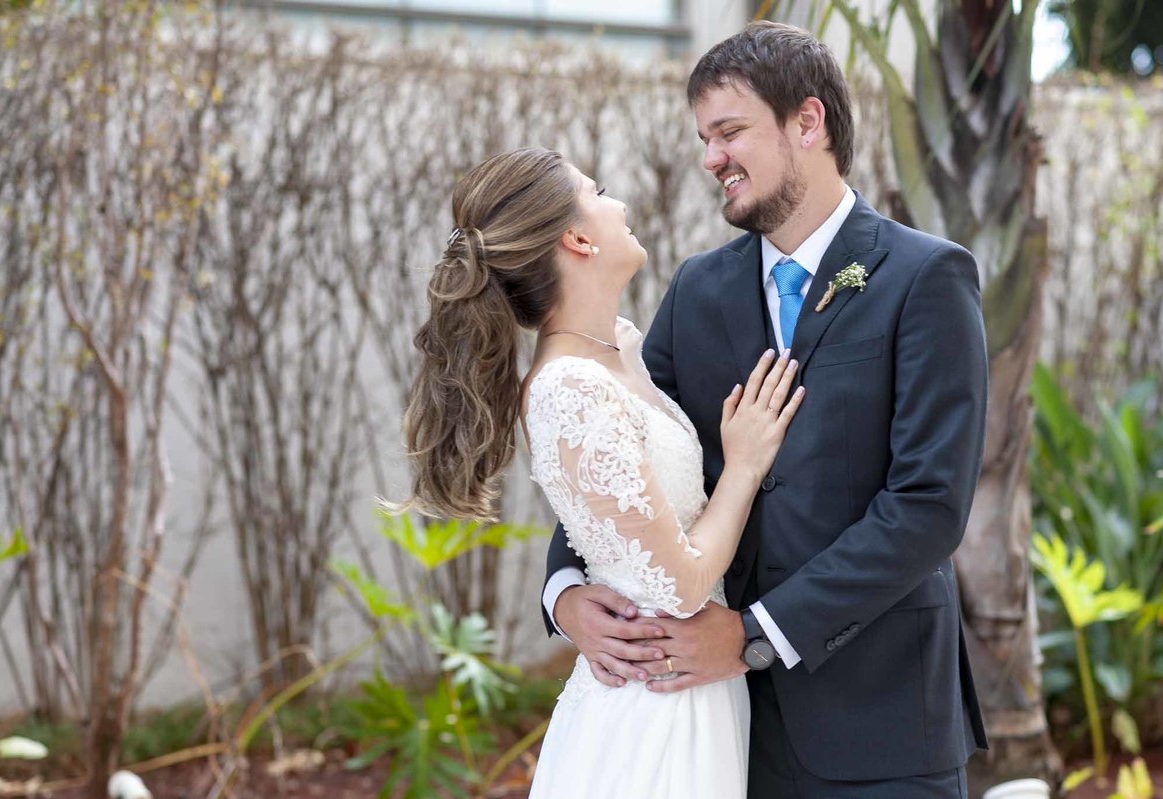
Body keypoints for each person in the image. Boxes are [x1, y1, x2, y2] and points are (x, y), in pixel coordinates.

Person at [542, 20, 989, 799]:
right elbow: (624, 457)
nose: (711, 157)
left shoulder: (926, 279)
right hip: (720, 733)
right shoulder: (696, 292)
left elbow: (928, 506)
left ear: (806, 123)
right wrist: (565, 595)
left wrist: (751, 635)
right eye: (704, 138)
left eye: (729, 131)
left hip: (883, 727)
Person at [401, 144, 804, 797]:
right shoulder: (567, 389)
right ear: (578, 238)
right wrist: (745, 464)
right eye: (598, 190)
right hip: (651, 704)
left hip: (693, 691)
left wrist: (564, 592)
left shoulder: (622, 346)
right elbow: (678, 585)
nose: (617, 202)